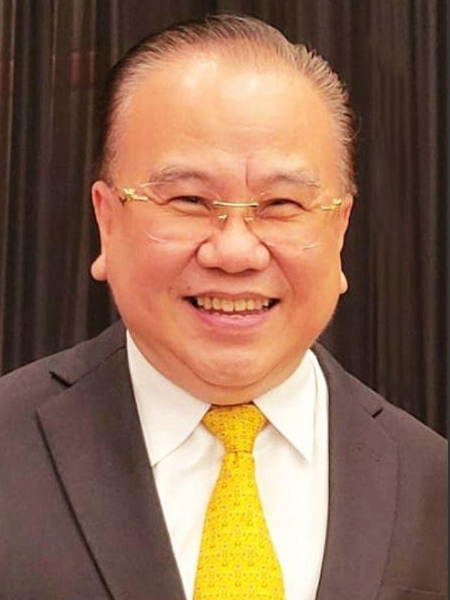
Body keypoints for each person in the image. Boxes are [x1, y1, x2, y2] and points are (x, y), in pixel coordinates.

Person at [0, 14, 446, 600]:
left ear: (339, 229)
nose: (235, 252)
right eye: (188, 199)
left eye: (282, 204)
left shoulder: (432, 486)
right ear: (106, 220)